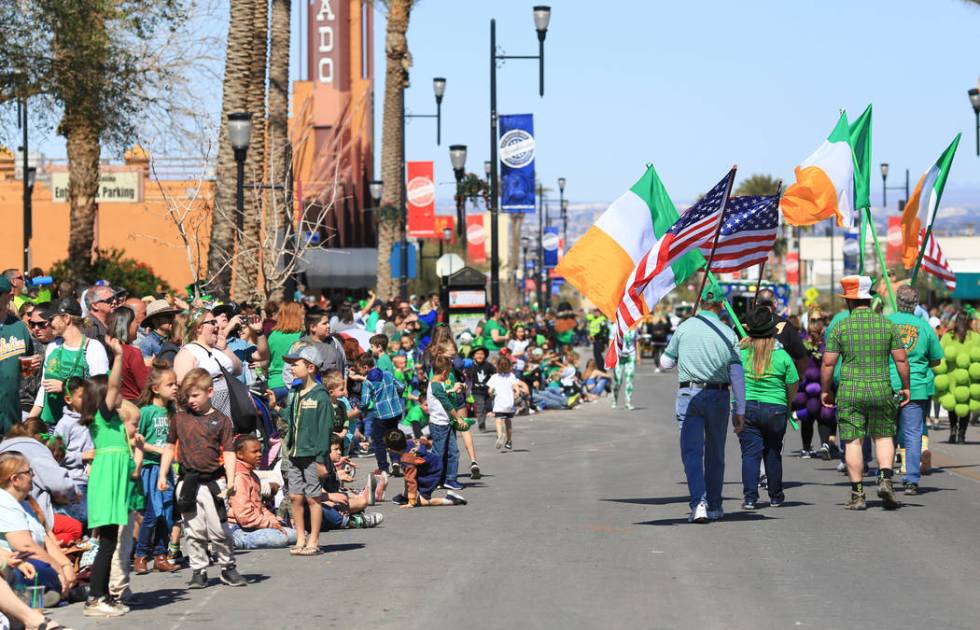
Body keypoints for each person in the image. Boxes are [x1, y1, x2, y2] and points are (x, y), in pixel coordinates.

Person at [820, 276, 910, 511]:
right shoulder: (887, 324)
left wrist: (825, 390)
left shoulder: (840, 326)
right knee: (883, 437)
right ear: (869, 299)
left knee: (853, 441)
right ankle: (885, 480)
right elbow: (901, 359)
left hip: (850, 390)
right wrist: (906, 386)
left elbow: (828, 364)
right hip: (881, 387)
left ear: (850, 301)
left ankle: (858, 494)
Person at [660, 285, 746, 523]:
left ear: (700, 304)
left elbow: (665, 363)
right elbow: (737, 374)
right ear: (720, 306)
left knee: (692, 452)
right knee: (716, 453)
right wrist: (740, 409)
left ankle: (698, 502)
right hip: (718, 396)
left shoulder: (684, 328)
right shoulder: (728, 333)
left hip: (689, 395)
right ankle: (716, 505)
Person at [157, 368, 246, 589]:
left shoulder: (221, 420)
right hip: (188, 482)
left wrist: (231, 480)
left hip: (214, 482)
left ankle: (227, 567)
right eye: (187, 396)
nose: (191, 400)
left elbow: (229, 451)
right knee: (193, 529)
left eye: (195, 395)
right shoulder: (180, 419)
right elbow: (169, 447)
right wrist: (162, 474)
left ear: (210, 391)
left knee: (219, 528)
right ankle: (199, 570)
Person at [736, 307, 799, 510]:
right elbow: (793, 382)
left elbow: (733, 379)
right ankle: (775, 495)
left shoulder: (741, 352)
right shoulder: (782, 356)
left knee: (750, 453)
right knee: (773, 451)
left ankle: (750, 498)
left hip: (747, 407)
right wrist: (788, 404)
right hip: (776, 408)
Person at [0, 451, 76, 606]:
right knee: (38, 569)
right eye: (29, 472)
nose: (33, 476)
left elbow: (46, 541)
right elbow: (25, 546)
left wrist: (66, 565)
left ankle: (55, 593)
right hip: (16, 565)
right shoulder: (4, 502)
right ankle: (54, 593)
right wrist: (58, 570)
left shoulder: (24, 503)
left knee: (55, 570)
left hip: (35, 561)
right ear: (15, 479)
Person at [888, 285, 942, 495]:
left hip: (889, 383)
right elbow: (936, 358)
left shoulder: (887, 323)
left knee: (886, 433)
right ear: (916, 303)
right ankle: (911, 479)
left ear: (898, 301)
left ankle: (885, 475)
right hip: (917, 385)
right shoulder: (925, 327)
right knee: (912, 434)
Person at [280, 345, 333, 556]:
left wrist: (321, 460)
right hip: (294, 453)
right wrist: (277, 407)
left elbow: (325, 429)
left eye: (296, 364)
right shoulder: (294, 391)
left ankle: (314, 540)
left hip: (312, 456)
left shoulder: (321, 396)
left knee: (313, 498)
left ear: (310, 367)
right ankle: (300, 537)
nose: (292, 368)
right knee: (295, 497)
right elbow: (288, 417)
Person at [133, 362, 180, 574]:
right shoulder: (146, 412)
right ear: (155, 388)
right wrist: (159, 451)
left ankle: (161, 555)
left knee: (167, 515)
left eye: (176, 384)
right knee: (152, 514)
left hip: (167, 469)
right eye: (170, 384)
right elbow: (136, 440)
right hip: (151, 469)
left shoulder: (172, 412)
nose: (175, 388)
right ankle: (141, 555)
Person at [31, 298, 109, 423]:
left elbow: (100, 389)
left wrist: (64, 386)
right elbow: (43, 388)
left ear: (66, 318)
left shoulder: (93, 348)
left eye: (51, 319)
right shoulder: (53, 346)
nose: (48, 324)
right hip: (49, 425)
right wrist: (31, 419)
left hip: (80, 424)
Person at [227, 435, 297, 549]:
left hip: (255, 524)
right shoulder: (239, 477)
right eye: (254, 452)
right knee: (280, 539)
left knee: (297, 535)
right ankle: (235, 541)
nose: (259, 454)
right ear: (240, 454)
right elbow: (244, 517)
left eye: (260, 451)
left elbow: (260, 506)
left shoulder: (252, 475)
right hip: (238, 528)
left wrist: (273, 520)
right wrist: (269, 524)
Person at [173, 309, 243, 419]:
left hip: (233, 404)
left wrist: (225, 348)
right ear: (198, 328)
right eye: (213, 322)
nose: (217, 326)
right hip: (209, 411)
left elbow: (238, 370)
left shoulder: (218, 348)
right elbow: (182, 387)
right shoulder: (188, 352)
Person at [384, 430, 466, 507]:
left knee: (422, 501)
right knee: (408, 476)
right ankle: (406, 496)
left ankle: (452, 500)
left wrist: (412, 502)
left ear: (391, 450)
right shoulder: (410, 443)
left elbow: (411, 481)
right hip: (432, 464)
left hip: (432, 472)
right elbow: (422, 441)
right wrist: (427, 444)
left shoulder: (407, 460)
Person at [357, 354, 405, 476]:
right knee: (393, 436)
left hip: (381, 415)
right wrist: (395, 396)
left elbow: (365, 402)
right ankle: (396, 461)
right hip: (395, 412)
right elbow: (401, 386)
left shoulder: (368, 382)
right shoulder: (387, 374)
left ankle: (383, 468)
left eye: (360, 369)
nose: (360, 372)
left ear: (366, 367)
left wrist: (360, 407)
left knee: (379, 442)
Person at [427, 355, 466, 491]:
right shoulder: (436, 385)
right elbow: (447, 404)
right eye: (448, 373)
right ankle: (434, 479)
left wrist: (453, 390)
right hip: (439, 425)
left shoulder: (438, 385)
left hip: (445, 423)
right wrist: (458, 418)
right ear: (444, 372)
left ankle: (449, 479)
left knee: (453, 452)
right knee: (439, 453)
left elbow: (443, 396)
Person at [0, 276, 31, 434]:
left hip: (12, 414)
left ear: (8, 296)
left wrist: (32, 367)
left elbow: (29, 367)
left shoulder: (19, 327)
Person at [941, 313, 974, 443]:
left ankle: (959, 433)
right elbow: (939, 352)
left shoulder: (975, 337)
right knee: (956, 406)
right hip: (953, 377)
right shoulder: (948, 336)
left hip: (966, 378)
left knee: (962, 406)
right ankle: (956, 431)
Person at [107, 306, 150, 402]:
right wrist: (148, 367)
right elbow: (144, 383)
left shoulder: (107, 348)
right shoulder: (132, 353)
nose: (138, 325)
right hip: (133, 404)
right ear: (127, 325)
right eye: (135, 321)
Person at [266, 302, 304, 403]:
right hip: (295, 384)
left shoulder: (271, 334)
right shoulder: (302, 336)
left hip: (274, 384)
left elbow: (266, 359)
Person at [488, 355, 519, 450]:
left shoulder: (494, 377)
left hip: (499, 403)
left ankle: (500, 435)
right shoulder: (511, 376)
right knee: (508, 422)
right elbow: (516, 387)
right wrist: (517, 393)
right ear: (509, 366)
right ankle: (509, 441)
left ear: (497, 366)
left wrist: (491, 394)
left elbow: (490, 390)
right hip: (509, 403)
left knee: (498, 419)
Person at [468, 345, 495, 432]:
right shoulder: (471, 366)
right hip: (476, 391)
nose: (479, 356)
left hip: (487, 391)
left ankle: (483, 419)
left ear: (485, 355)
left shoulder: (489, 366)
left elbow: (495, 375)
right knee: (480, 406)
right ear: (473, 355)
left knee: (487, 407)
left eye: (482, 354)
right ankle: (481, 423)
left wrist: (493, 386)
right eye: (477, 354)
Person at [611, 326, 638, 411]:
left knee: (629, 378)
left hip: (630, 356)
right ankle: (614, 399)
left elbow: (636, 342)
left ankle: (628, 402)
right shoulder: (615, 326)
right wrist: (611, 356)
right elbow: (611, 341)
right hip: (619, 356)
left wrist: (638, 355)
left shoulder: (634, 327)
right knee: (618, 380)